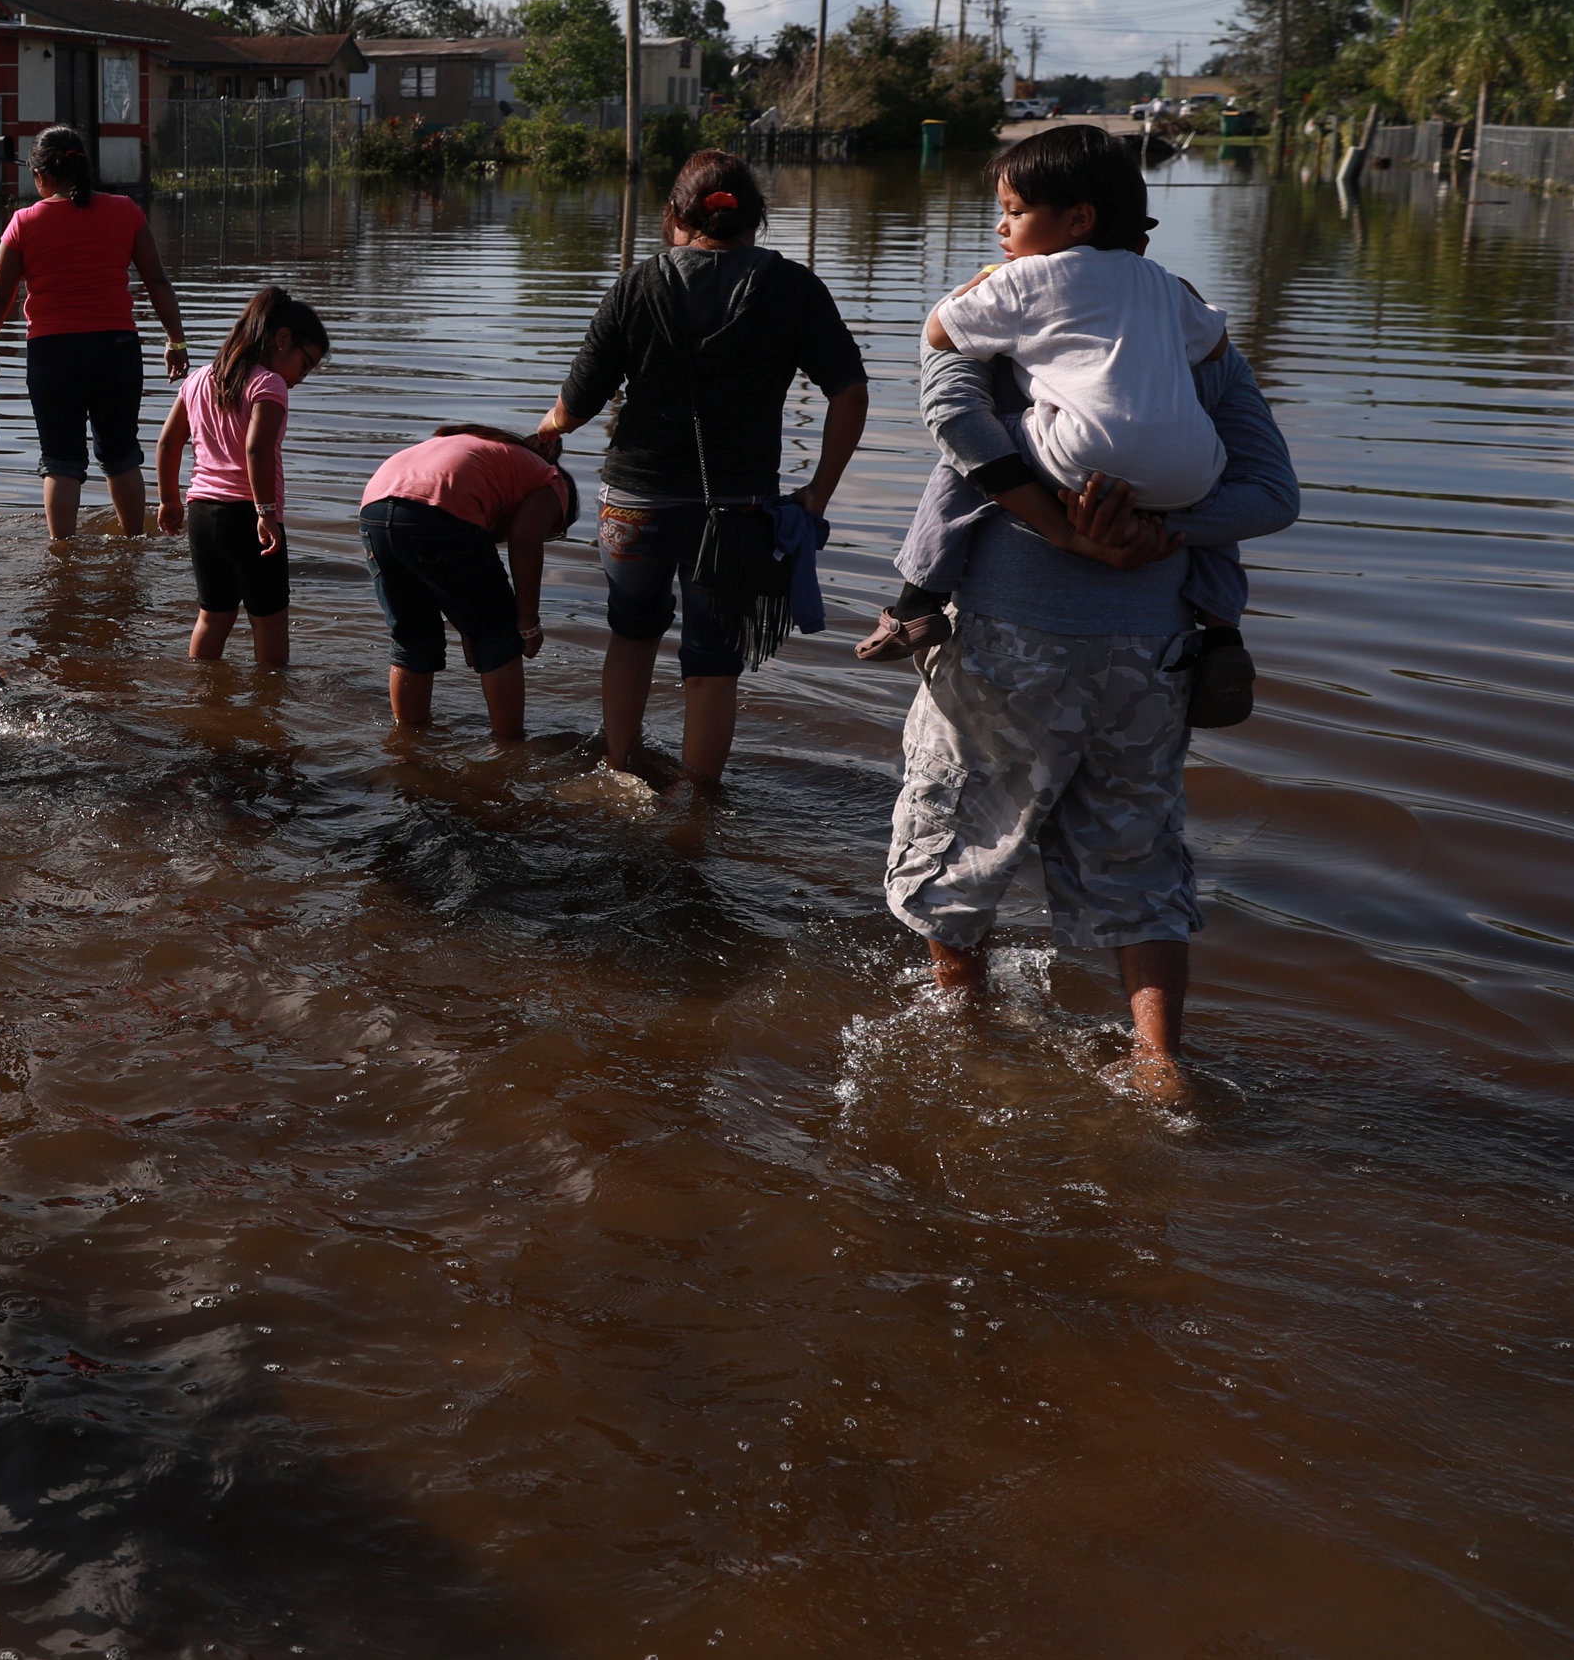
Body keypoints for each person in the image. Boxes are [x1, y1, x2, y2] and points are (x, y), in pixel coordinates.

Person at [883, 318, 1301, 1104]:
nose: (1003, 234)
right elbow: (1271, 492)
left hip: (1009, 643)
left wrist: (1063, 531)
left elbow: (955, 428)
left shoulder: (997, 324)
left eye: (1013, 215)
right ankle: (1158, 1062)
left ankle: (962, 1023)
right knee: (1138, 853)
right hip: (1153, 652)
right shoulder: (1195, 344)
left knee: (959, 836)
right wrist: (1158, 533)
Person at [534, 150, 867, 790]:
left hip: (634, 504)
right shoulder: (794, 287)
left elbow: (575, 405)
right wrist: (818, 494)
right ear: (756, 219)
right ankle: (698, 809)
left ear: (674, 215)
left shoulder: (635, 286)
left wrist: (544, 432)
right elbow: (850, 395)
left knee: (631, 636)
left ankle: (618, 771)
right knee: (713, 665)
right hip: (737, 511)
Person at [859, 127, 1239, 661]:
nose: (1001, 227)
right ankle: (1223, 632)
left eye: (1015, 213)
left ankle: (918, 598)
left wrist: (977, 286)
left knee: (970, 445)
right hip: (1192, 474)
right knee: (1208, 449)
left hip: (1086, 456)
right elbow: (1217, 346)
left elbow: (941, 333)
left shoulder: (1026, 279)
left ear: (1079, 219)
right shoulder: (1161, 282)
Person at [0, 125, 188, 541]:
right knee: (122, 455)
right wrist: (175, 341)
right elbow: (157, 281)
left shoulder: (23, 222)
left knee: (61, 461)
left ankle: (62, 560)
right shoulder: (125, 211)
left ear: (40, 176)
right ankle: (134, 547)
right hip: (116, 350)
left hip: (52, 355)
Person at [359, 424, 578, 739]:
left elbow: (452, 579)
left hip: (375, 506)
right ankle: (509, 747)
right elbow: (524, 536)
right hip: (439, 508)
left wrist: (467, 628)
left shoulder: (488, 450)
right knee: (500, 639)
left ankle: (408, 741)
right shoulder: (552, 480)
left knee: (413, 637)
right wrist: (528, 622)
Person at [153, 286, 328, 671]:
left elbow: (167, 443)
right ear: (283, 340)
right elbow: (257, 450)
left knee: (213, 616)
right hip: (249, 515)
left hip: (202, 514)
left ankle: (202, 689)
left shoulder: (198, 379)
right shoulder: (269, 384)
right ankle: (271, 704)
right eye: (306, 363)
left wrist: (169, 500)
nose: (303, 376)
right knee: (270, 621)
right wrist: (265, 512)